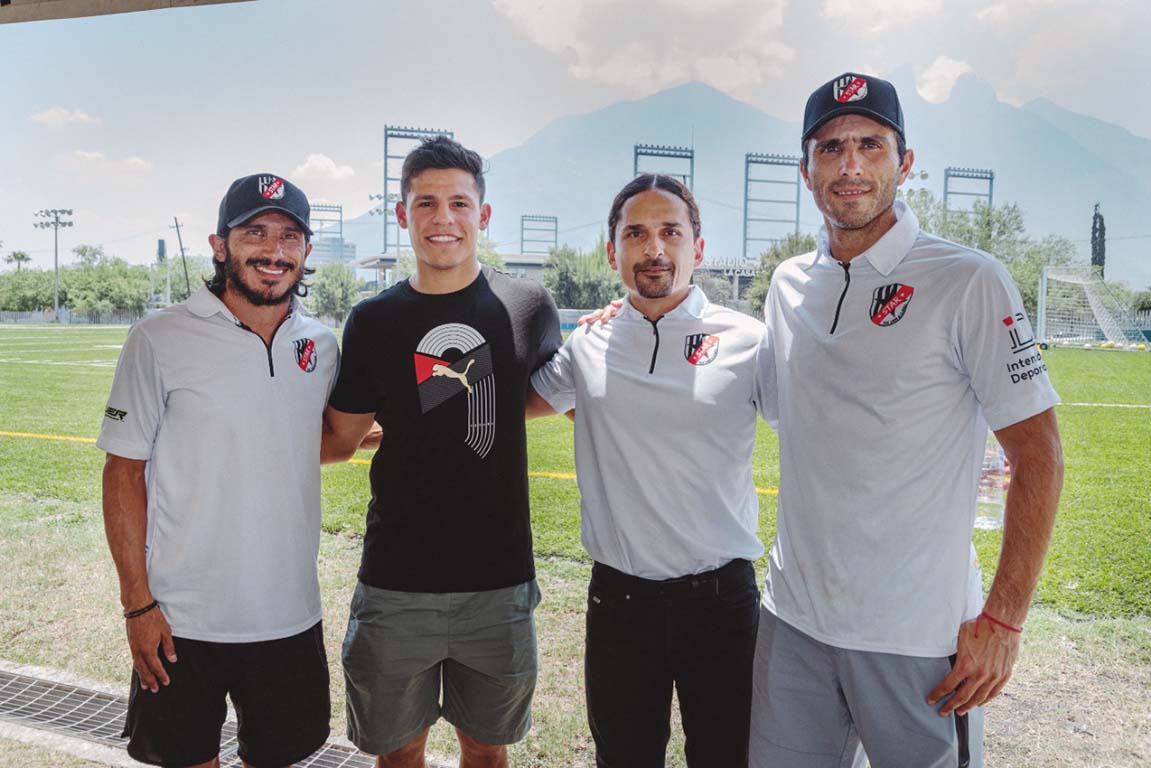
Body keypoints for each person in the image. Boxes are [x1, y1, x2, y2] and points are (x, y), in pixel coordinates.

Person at [748, 72, 1064, 767]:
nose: (850, 165)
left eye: (870, 144)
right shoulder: (787, 284)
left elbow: (1038, 453)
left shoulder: (967, 278)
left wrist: (1004, 619)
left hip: (916, 637)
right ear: (805, 171)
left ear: (905, 163)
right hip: (792, 622)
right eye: (830, 149)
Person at [321, 136, 562, 768]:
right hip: (398, 580)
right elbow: (340, 439)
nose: (443, 218)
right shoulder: (372, 321)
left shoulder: (529, 306)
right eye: (425, 202)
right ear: (402, 215)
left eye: (459, 202)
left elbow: (543, 394)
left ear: (483, 216)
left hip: (499, 579)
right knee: (398, 755)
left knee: (486, 751)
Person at [527, 173, 770, 767]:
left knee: (728, 758)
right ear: (613, 251)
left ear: (699, 247)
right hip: (621, 602)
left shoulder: (750, 340)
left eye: (670, 231)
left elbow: (821, 435)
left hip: (722, 602)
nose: (654, 248)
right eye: (635, 233)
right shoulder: (589, 342)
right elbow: (507, 409)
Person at [99, 173, 337, 768]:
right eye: (254, 231)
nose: (273, 249)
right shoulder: (158, 338)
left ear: (306, 251)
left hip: (289, 614)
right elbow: (123, 470)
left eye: (289, 235)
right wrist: (137, 604)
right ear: (219, 244)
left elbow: (326, 438)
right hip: (181, 620)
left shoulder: (322, 344)